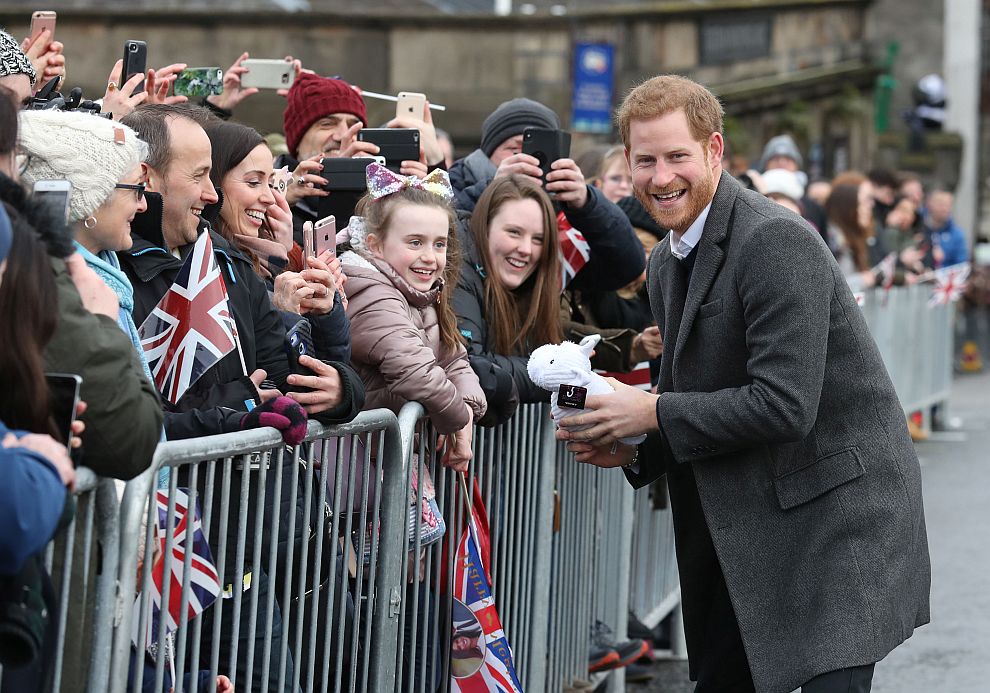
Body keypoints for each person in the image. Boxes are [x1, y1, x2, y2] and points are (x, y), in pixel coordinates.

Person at [557, 74, 930, 693]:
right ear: (625, 160)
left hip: (836, 519)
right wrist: (631, 445)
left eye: (677, 156)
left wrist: (648, 415)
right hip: (750, 519)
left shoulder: (775, 241)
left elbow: (783, 405)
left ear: (714, 151)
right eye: (644, 160)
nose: (660, 176)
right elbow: (694, 393)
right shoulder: (666, 262)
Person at [453, 174, 563, 419]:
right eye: (514, 232)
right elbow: (470, 363)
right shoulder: (457, 269)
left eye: (538, 239)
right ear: (485, 227)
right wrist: (556, 374)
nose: (525, 249)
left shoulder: (528, 285)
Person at [825, 173, 889, 290]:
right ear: (848, 202)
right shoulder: (831, 240)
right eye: (867, 199)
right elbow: (829, 288)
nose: (872, 205)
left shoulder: (854, 238)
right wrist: (864, 280)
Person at [923, 188, 969, 268]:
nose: (945, 209)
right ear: (929, 204)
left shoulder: (957, 234)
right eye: (940, 204)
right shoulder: (918, 225)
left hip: (944, 277)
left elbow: (961, 265)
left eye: (948, 205)